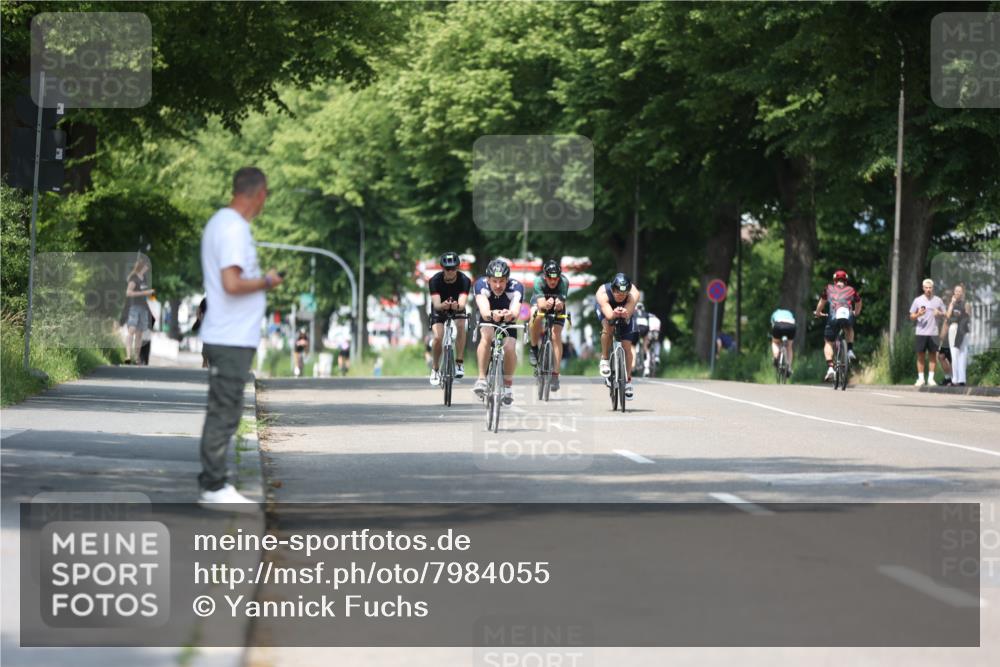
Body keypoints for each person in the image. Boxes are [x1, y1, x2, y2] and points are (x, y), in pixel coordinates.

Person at [197, 166, 283, 509]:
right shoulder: (233, 228)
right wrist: (266, 282)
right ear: (259, 193)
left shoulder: (224, 223)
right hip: (229, 336)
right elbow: (232, 284)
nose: (265, 202)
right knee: (224, 411)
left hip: (232, 335)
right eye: (266, 196)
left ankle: (215, 482)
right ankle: (213, 485)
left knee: (227, 409)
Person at [472, 259, 524, 404]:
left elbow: (516, 310)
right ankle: (482, 379)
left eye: (502, 281)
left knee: (509, 347)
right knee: (487, 335)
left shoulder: (516, 287)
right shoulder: (480, 285)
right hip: (489, 316)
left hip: (507, 319)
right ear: (488, 279)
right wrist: (491, 314)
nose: (498, 285)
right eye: (494, 281)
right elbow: (483, 310)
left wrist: (510, 314)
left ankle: (507, 385)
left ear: (507, 280)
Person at [428, 251, 471, 385]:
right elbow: (436, 304)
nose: (450, 271)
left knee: (460, 325)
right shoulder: (434, 280)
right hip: (440, 307)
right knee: (437, 337)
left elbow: (463, 303)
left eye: (453, 268)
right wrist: (444, 305)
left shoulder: (465, 280)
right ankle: (435, 368)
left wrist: (456, 306)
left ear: (457, 268)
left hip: (457, 306)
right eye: (447, 269)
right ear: (443, 269)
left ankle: (459, 362)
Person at [596, 272, 640, 400]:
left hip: (625, 310)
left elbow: (629, 311)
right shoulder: (602, 292)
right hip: (606, 309)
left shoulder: (634, 293)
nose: (621, 296)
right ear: (613, 289)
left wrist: (625, 312)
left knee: (627, 347)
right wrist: (614, 314)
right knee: (608, 327)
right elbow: (609, 315)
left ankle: (628, 381)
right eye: (618, 293)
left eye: (624, 293)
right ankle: (604, 359)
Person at [528, 259, 570, 392]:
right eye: (550, 279)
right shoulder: (538, 281)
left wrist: (559, 304)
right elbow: (541, 305)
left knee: (555, 334)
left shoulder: (564, 282)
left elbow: (562, 303)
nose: (553, 282)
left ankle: (555, 375)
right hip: (541, 302)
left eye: (556, 279)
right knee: (536, 315)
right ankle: (534, 348)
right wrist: (546, 304)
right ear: (545, 276)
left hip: (557, 306)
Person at [815, 269, 862, 382]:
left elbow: (822, 303)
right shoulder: (851, 289)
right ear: (845, 281)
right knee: (849, 328)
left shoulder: (829, 288)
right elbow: (859, 302)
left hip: (833, 316)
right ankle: (849, 350)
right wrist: (856, 312)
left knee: (828, 342)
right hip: (847, 315)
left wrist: (817, 313)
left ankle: (831, 368)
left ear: (835, 280)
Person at [909, 278, 946, 387]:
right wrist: (918, 314)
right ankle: (920, 379)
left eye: (930, 288)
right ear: (923, 288)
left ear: (933, 288)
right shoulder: (917, 300)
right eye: (926, 288)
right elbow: (911, 316)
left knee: (933, 355)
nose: (928, 289)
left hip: (933, 332)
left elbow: (945, 314)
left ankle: (931, 379)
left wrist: (938, 313)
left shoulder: (938, 300)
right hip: (921, 332)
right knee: (920, 355)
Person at [123, 257, 155, 364]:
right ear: (142, 266)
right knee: (131, 330)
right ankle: (128, 355)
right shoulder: (134, 278)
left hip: (143, 308)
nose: (147, 268)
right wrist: (144, 293)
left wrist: (149, 294)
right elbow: (128, 293)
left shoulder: (144, 278)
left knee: (140, 333)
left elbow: (144, 292)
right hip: (134, 307)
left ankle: (137, 357)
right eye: (147, 266)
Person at [947, 283, 972, 386]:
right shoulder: (951, 304)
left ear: (963, 293)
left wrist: (965, 309)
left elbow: (968, 315)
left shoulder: (966, 303)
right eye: (956, 291)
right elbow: (948, 316)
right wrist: (952, 304)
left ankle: (962, 380)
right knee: (954, 354)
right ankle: (955, 379)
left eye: (960, 291)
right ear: (954, 292)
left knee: (963, 354)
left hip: (963, 330)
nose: (958, 293)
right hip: (953, 329)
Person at [769, 307, 797, 378]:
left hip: (778, 325)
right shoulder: (790, 313)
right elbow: (794, 320)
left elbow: (773, 325)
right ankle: (789, 367)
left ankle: (776, 357)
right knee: (789, 347)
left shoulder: (775, 313)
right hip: (791, 326)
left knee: (775, 342)